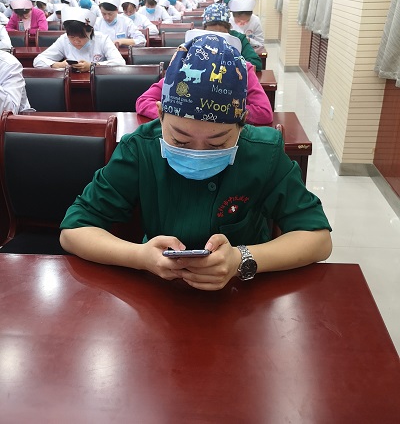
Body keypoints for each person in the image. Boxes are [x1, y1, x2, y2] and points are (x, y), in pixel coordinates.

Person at [60, 34, 332, 291]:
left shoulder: (264, 152)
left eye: (217, 144)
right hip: (158, 291)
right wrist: (140, 257)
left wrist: (241, 258)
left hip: (243, 292)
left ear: (242, 123)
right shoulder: (140, 148)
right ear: (160, 114)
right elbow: (74, 230)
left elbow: (318, 239)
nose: (198, 153)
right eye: (180, 140)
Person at [135, 30, 273, 125]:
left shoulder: (243, 70)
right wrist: (178, 114)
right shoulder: (181, 67)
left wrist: (219, 113)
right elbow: (143, 101)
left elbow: (264, 113)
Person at [33, 6, 125, 72]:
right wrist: (58, 65)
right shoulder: (63, 39)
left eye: (81, 37)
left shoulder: (102, 39)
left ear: (90, 31)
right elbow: (38, 61)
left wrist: (93, 66)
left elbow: (120, 63)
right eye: (72, 37)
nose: (76, 41)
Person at [202, 3, 262, 71]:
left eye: (222, 33)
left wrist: (234, 63)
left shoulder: (238, 38)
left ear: (229, 28)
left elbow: (256, 63)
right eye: (212, 33)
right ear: (204, 28)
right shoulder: (198, 38)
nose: (217, 38)